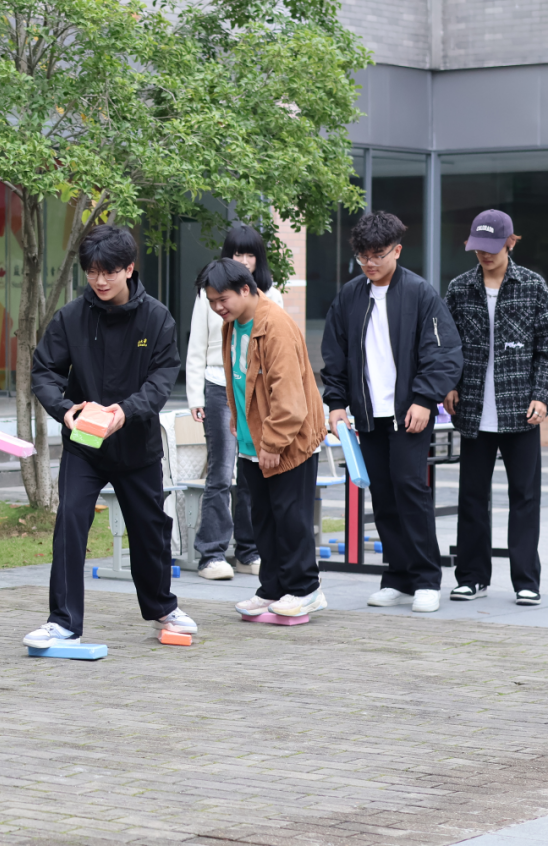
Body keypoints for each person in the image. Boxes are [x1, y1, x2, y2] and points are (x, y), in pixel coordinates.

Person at [26, 224, 193, 650]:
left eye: (109, 272)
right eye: (92, 272)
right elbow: (44, 371)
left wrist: (127, 410)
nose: (100, 281)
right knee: (70, 522)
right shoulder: (71, 317)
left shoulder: (157, 317)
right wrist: (65, 409)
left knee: (150, 528)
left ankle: (162, 608)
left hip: (136, 443)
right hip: (85, 445)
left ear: (129, 269)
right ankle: (63, 622)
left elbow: (162, 377)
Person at [321, 211, 462, 613]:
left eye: (378, 255)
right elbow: (334, 355)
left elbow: (444, 353)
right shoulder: (350, 296)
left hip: (409, 412)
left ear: (397, 251)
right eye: (363, 256)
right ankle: (398, 577)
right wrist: (336, 405)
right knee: (382, 495)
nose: (370, 263)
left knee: (410, 490)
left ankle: (427, 579)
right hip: (368, 416)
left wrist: (425, 399)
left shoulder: (420, 293)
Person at [197, 259, 328, 616]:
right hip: (252, 438)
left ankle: (306, 588)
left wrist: (272, 442)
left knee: (291, 516)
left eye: (222, 299)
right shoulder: (232, 324)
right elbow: (239, 379)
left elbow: (288, 397)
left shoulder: (275, 326)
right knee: (264, 517)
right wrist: (239, 421)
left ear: (246, 289)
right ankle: (272, 588)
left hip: (286, 440)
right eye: (212, 301)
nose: (217, 307)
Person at [443, 210, 548, 605]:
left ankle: (526, 580)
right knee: (471, 497)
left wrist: (541, 395)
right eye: (478, 248)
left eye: (491, 247)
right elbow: (447, 346)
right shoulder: (459, 288)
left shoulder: (533, 286)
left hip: (520, 408)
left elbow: (545, 349)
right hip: (472, 409)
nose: (484, 255)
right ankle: (472, 577)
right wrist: (449, 385)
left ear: (510, 242)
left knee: (524, 498)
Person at [186, 223, 284, 580]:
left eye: (249, 254)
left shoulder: (272, 295)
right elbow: (196, 345)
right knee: (221, 471)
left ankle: (248, 550)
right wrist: (195, 395)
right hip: (218, 386)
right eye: (236, 253)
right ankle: (211, 554)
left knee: (251, 473)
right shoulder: (209, 295)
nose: (243, 260)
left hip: (257, 393)